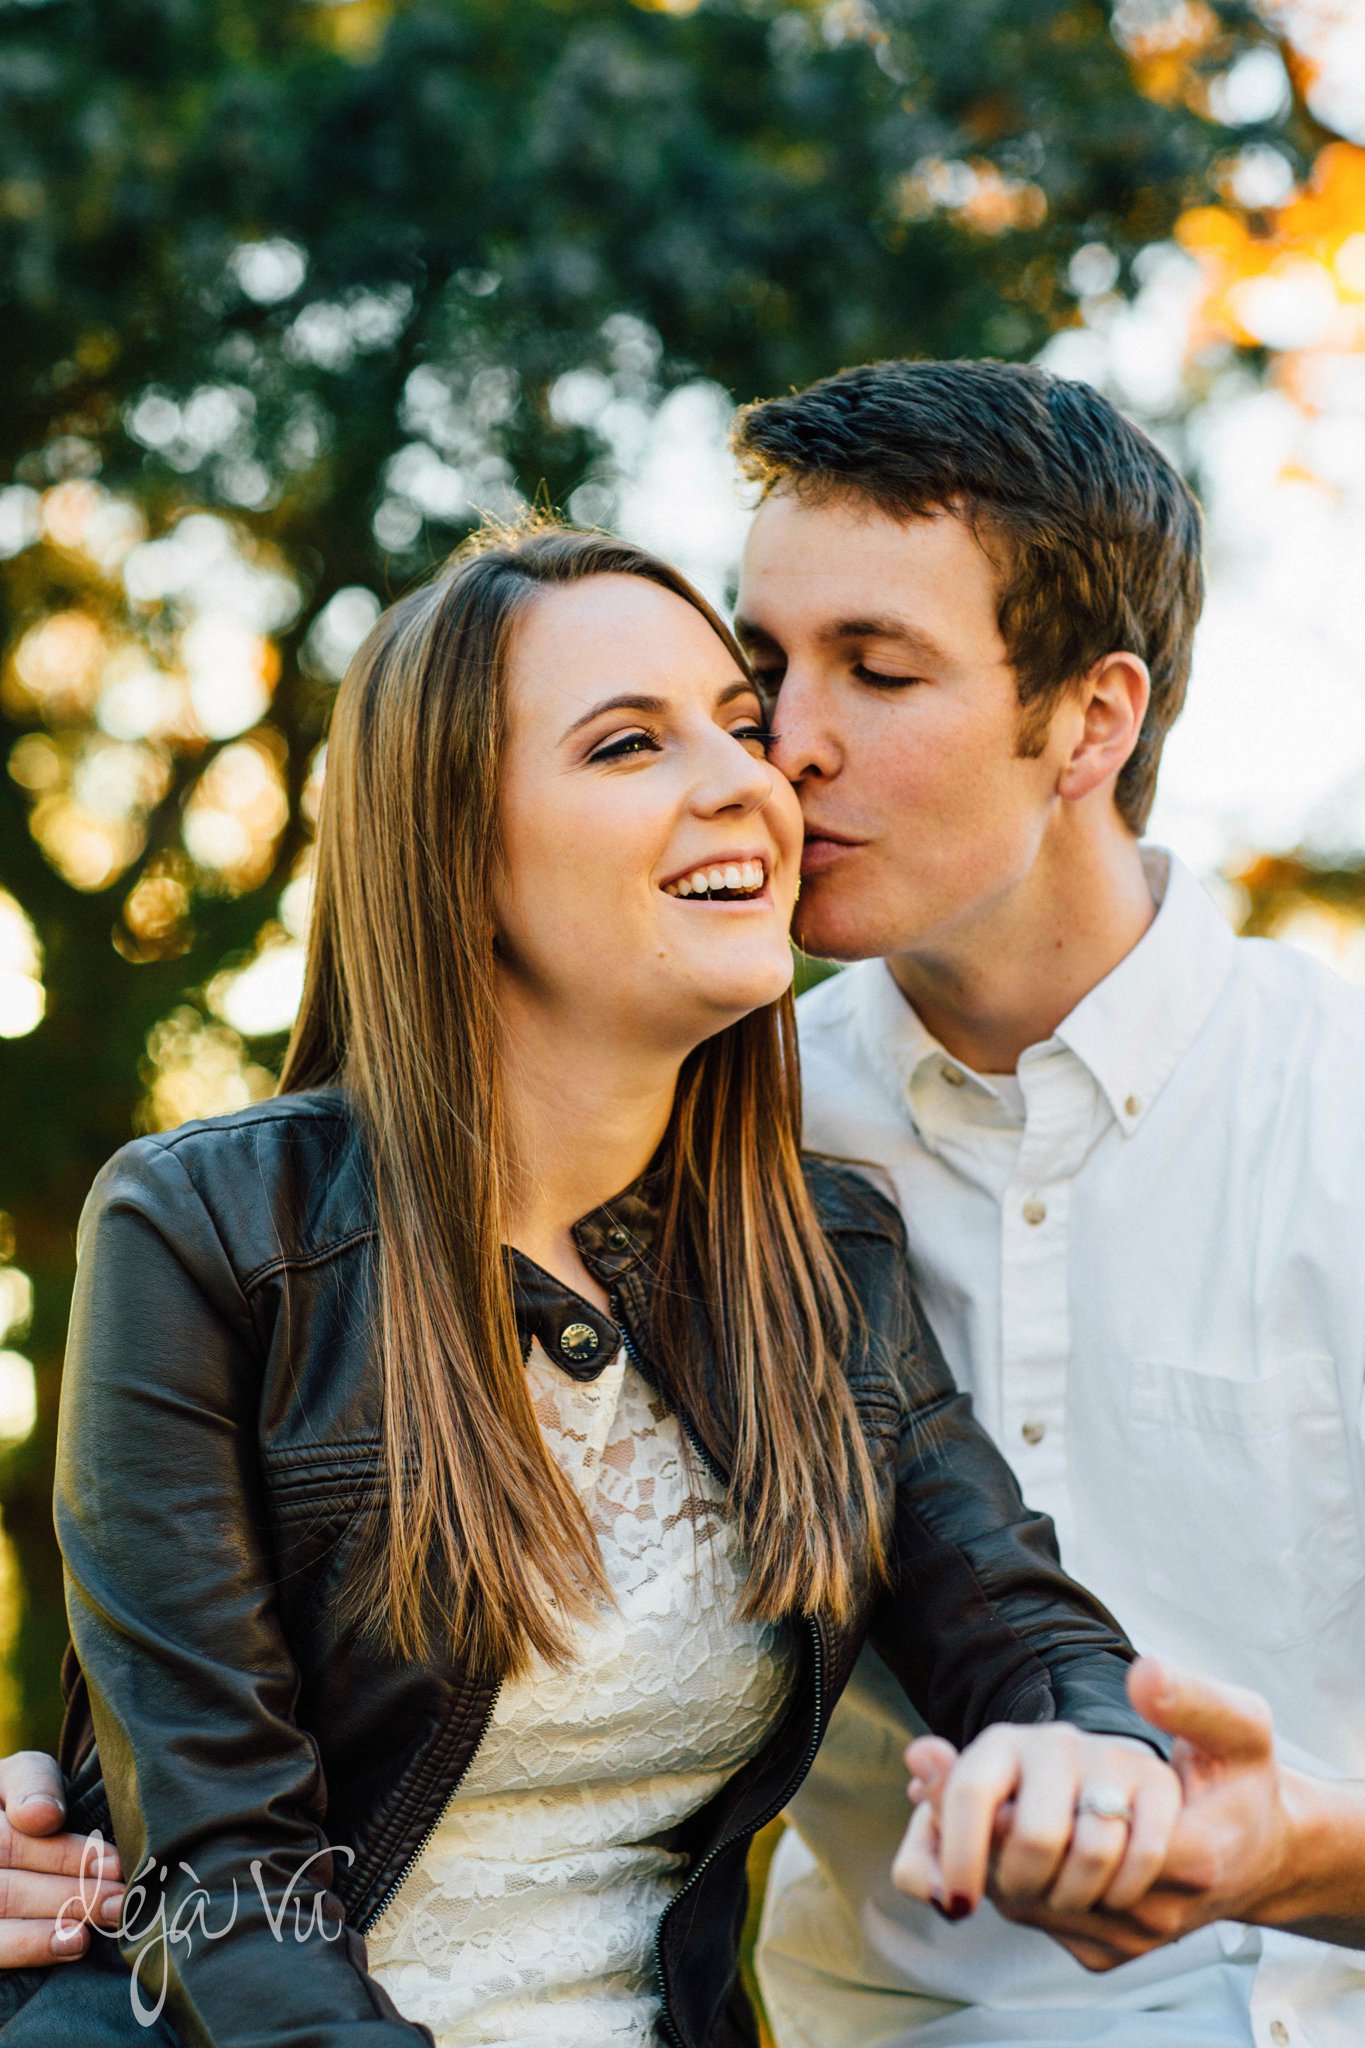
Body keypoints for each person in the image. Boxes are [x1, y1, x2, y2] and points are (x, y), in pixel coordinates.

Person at [0, 523, 1174, 2047]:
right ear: (452, 851)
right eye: (627, 744)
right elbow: (227, 1875)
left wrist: (1091, 1754)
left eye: (739, 730)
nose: (752, 779)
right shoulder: (211, 1226)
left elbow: (1021, 1630)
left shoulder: (822, 1254)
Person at [727, 360, 1365, 2046]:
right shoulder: (712, 1132)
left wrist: (1294, 1850)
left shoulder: (1343, 1105)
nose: (786, 746)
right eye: (763, 665)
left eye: (877, 669)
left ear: (1092, 718)